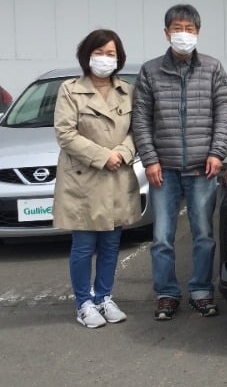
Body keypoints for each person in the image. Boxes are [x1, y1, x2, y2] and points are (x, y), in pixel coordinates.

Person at [133, 4, 227, 320]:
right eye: (178, 28)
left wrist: (217, 153)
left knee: (203, 234)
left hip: (202, 169)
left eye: (189, 29)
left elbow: (224, 115)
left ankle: (202, 291)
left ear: (198, 33)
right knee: (162, 236)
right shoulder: (150, 71)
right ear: (166, 33)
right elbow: (140, 119)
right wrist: (149, 160)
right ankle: (166, 293)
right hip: (163, 168)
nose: (183, 35)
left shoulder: (213, 68)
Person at [53, 29, 141, 329]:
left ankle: (104, 296)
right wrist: (104, 156)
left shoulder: (127, 90)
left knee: (111, 244)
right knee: (83, 245)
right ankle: (83, 303)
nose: (105, 58)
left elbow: (137, 131)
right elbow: (65, 133)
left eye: (111, 53)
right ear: (86, 54)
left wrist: (123, 152)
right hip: (84, 179)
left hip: (117, 177)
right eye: (100, 52)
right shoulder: (69, 89)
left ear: (119, 58)